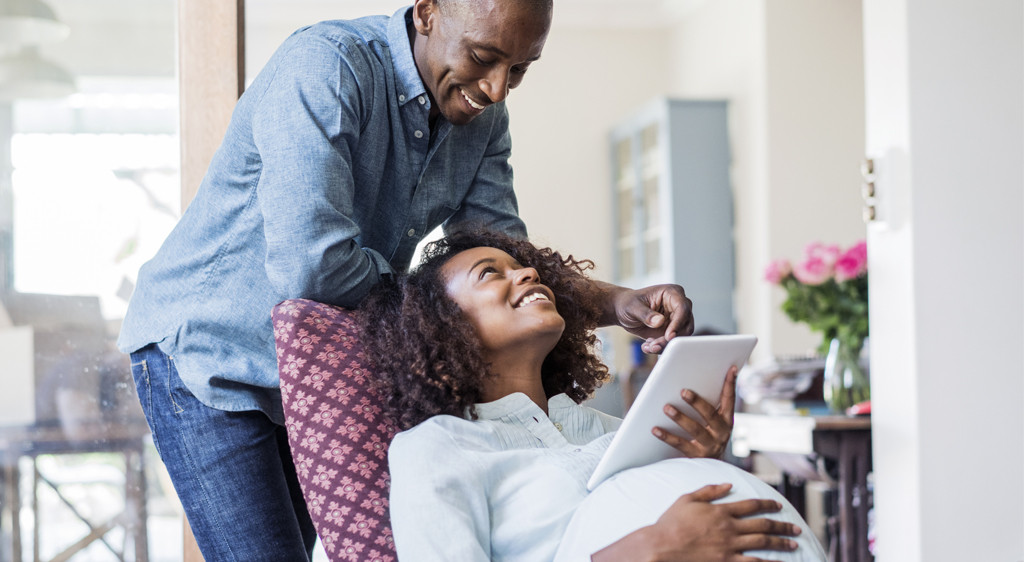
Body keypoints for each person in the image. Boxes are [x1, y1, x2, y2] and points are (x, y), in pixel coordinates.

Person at [118, 1, 696, 559]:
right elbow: (312, 266)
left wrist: (618, 301)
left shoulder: (483, 116)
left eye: (518, 69)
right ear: (426, 12)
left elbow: (501, 253)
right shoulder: (327, 68)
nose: (496, 89)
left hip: (304, 369)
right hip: (206, 352)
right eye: (483, 56)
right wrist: (443, 301)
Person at [360, 229, 828, 561]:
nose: (526, 274)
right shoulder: (437, 447)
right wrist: (640, 552)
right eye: (490, 273)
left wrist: (700, 459)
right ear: (442, 324)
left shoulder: (619, 431)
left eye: (523, 267)